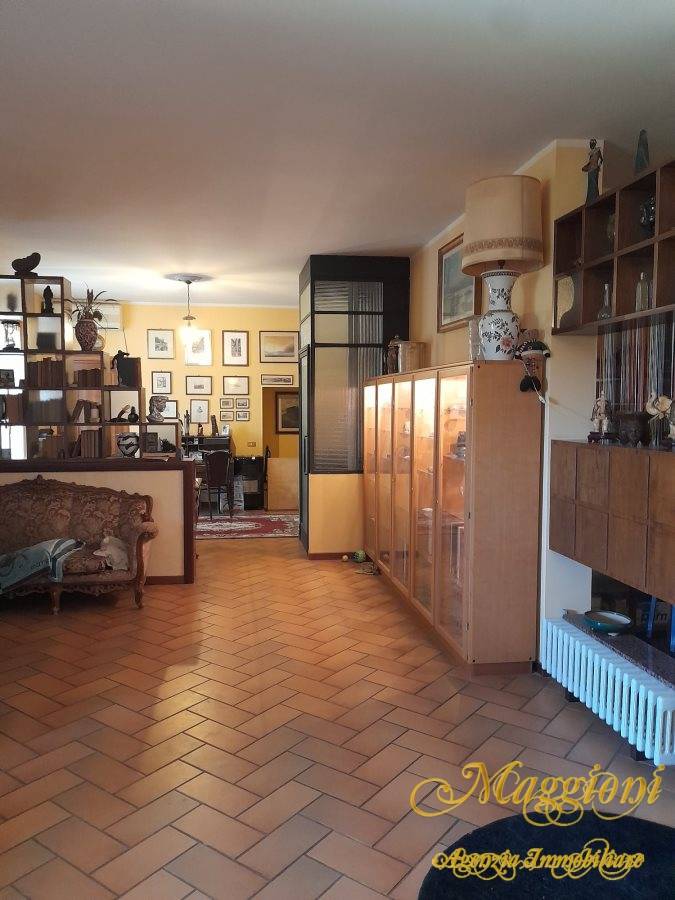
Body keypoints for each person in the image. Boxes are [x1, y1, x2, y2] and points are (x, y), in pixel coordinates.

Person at [582, 139, 603, 204]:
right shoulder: (591, 153)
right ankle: (589, 198)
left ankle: (595, 197)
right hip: (590, 169)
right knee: (590, 184)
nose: (591, 145)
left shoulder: (598, 150)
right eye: (590, 144)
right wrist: (585, 167)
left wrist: (599, 166)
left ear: (594, 144)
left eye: (591, 144)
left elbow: (601, 159)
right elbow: (590, 162)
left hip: (595, 168)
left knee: (594, 183)